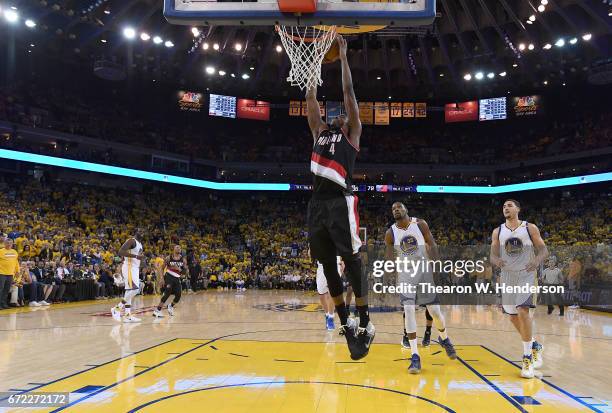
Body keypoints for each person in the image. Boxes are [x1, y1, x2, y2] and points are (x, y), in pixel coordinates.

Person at [305, 35, 374, 360]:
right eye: (336, 114)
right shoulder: (319, 132)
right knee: (327, 264)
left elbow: (348, 94)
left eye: (343, 116)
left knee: (351, 259)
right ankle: (346, 325)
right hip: (316, 205)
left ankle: (365, 319)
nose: (340, 115)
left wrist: (344, 57)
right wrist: (312, 67)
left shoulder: (354, 134)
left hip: (340, 202)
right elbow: (310, 101)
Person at [385, 202, 457, 374]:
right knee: (408, 309)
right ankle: (415, 356)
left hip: (424, 270)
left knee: (435, 311)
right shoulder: (390, 233)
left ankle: (444, 338)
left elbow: (431, 244)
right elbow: (389, 258)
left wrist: (437, 268)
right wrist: (390, 274)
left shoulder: (420, 224)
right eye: (393, 208)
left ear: (406, 210)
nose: (396, 210)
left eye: (399, 207)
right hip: (406, 274)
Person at [490, 199, 548, 379]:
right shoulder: (497, 231)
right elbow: (492, 254)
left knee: (523, 312)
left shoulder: (530, 228)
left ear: (518, 209)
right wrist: (496, 261)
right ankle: (535, 345)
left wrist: (536, 261)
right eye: (504, 206)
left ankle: (527, 358)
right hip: (507, 277)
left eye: (509, 205)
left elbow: (544, 251)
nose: (506, 208)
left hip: (526, 275)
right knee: (513, 317)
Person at [111, 229, 145, 323]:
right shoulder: (131, 240)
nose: (141, 233)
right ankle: (117, 308)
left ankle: (127, 315)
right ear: (136, 232)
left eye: (143, 232)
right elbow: (121, 252)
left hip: (134, 268)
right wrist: (136, 257)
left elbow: (137, 256)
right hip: (129, 267)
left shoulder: (140, 244)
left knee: (129, 291)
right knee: (135, 289)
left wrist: (140, 260)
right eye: (140, 232)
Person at [153, 244, 188, 318]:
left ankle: (170, 306)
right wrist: (162, 278)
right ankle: (157, 311)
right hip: (169, 276)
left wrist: (179, 269)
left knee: (178, 295)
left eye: (180, 248)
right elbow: (162, 268)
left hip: (177, 278)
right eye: (177, 247)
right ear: (174, 249)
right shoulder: (168, 258)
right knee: (167, 293)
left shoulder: (183, 259)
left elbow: (185, 272)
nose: (179, 248)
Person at [316, 255, 344, 331]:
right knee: (321, 294)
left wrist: (342, 261)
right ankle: (327, 315)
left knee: (332, 292)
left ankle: (331, 317)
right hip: (322, 265)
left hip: (335, 264)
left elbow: (341, 247)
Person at [0, 237, 20, 310]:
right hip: (1, 273)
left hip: (10, 274)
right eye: (7, 243)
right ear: (4, 243)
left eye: (10, 243)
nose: (9, 244)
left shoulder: (14, 252)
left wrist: (17, 271)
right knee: (0, 289)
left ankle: (4, 304)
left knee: (6, 289)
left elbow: (16, 262)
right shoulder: (1, 251)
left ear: (12, 244)